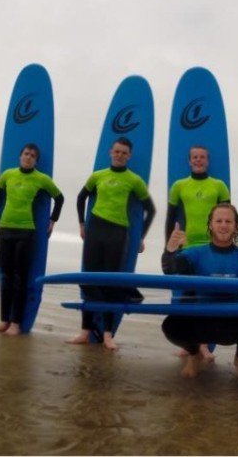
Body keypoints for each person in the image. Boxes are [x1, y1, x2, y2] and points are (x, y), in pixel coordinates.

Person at [162, 203, 238, 381]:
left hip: (232, 322)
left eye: (228, 221)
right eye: (218, 220)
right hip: (200, 321)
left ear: (236, 226)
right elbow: (169, 269)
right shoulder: (196, 253)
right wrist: (170, 250)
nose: (223, 225)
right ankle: (194, 353)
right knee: (170, 325)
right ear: (211, 225)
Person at [72, 137, 157, 350]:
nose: (119, 155)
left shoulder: (134, 180)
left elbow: (151, 210)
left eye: (124, 153)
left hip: (118, 233)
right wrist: (82, 224)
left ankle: (108, 335)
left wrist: (140, 237)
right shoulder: (98, 176)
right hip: (95, 230)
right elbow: (81, 197)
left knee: (111, 283)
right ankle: (85, 331)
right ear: (111, 152)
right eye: (117, 151)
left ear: (129, 156)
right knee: (89, 281)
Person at [163, 145, 232, 359]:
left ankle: (203, 344)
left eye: (202, 157)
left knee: (208, 297)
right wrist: (169, 245)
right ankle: (188, 344)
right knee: (187, 296)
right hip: (188, 247)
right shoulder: (179, 186)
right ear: (189, 161)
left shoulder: (219, 185)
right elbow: (170, 217)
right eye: (195, 157)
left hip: (212, 247)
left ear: (208, 161)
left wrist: (227, 245)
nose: (199, 160)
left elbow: (227, 219)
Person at [0, 143, 65, 336]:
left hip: (26, 232)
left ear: (36, 160)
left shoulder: (41, 179)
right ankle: (4, 320)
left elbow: (59, 197)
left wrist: (52, 220)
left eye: (32, 155)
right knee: (5, 277)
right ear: (20, 156)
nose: (28, 157)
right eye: (26, 153)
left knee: (19, 278)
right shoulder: (8, 175)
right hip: (5, 230)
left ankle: (15, 323)